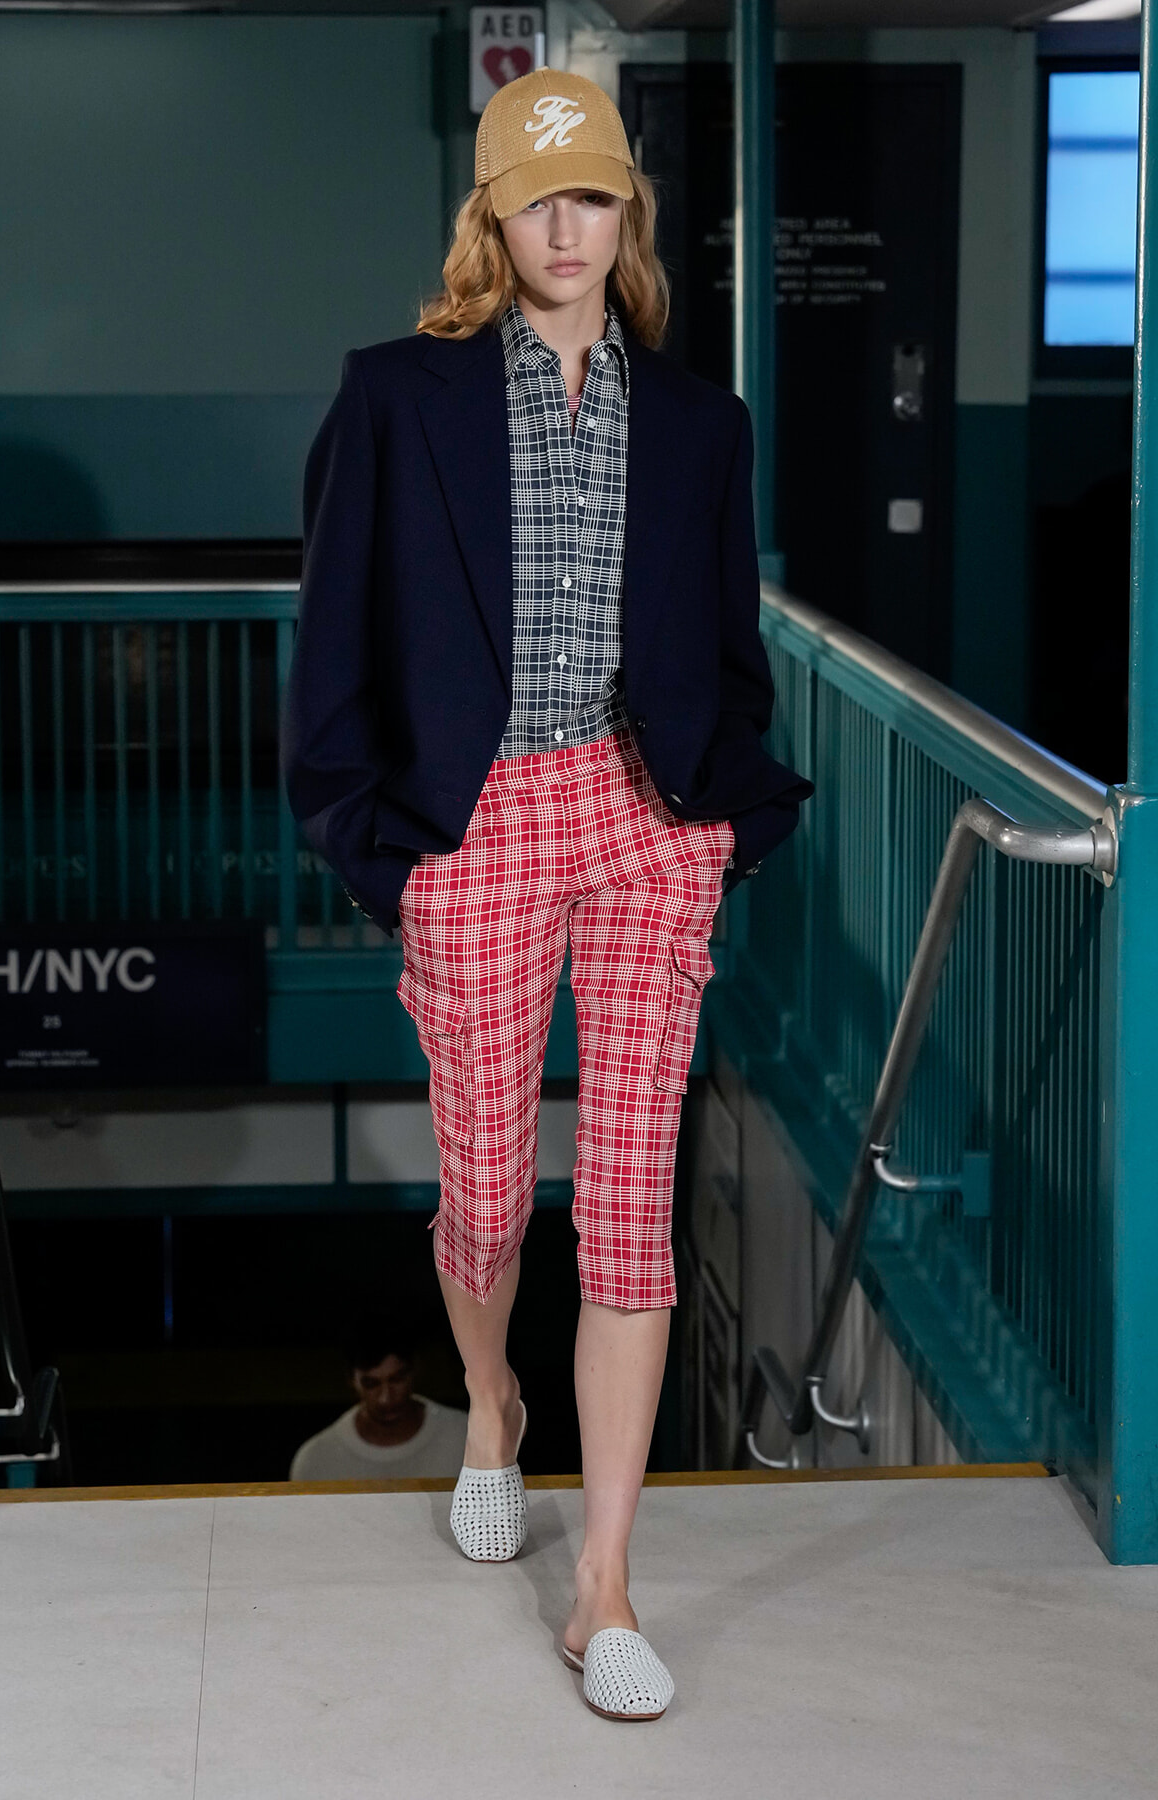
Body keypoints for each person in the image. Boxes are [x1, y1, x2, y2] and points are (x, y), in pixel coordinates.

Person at [281, 66, 811, 1721]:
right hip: (481, 817)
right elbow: (337, 650)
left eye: (598, 198)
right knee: (493, 1187)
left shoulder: (702, 425)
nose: (569, 227)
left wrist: (716, 823)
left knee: (633, 1200)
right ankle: (495, 1408)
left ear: (627, 216)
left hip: (648, 818)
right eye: (539, 197)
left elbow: (727, 655)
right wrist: (393, 850)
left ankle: (603, 1591)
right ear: (492, 215)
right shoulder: (394, 397)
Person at [289, 1312, 467, 1482]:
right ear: (351, 1380)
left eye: (397, 1380)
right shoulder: (317, 1460)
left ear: (416, 1370)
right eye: (371, 1384)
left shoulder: (464, 1436)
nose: (386, 1398)